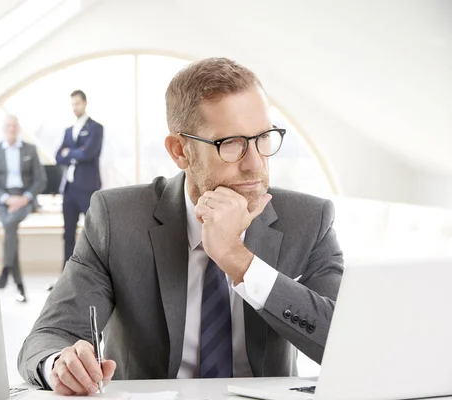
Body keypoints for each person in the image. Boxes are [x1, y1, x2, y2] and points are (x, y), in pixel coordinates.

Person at [18, 58, 343, 395]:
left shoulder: (308, 220)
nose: (255, 163)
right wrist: (61, 364)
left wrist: (239, 261)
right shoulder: (117, 218)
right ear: (180, 151)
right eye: (231, 144)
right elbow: (47, 337)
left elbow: (344, 344)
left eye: (263, 137)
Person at [0, 115, 46, 303]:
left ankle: (5, 270)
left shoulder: (30, 149)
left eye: (14, 126)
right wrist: (6, 198)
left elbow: (41, 180)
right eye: (8, 126)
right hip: (4, 199)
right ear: (4, 128)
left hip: (24, 198)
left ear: (18, 128)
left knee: (10, 224)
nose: (12, 129)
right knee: (11, 229)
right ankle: (19, 285)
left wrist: (24, 198)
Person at [48, 90, 103, 290]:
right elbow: (57, 157)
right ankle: (65, 280)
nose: (75, 107)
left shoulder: (96, 128)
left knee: (93, 234)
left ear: (85, 103)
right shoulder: (68, 130)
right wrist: (75, 154)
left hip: (87, 188)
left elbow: (88, 153)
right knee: (68, 234)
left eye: (77, 103)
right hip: (69, 189)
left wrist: (69, 153)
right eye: (72, 104)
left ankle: (93, 280)